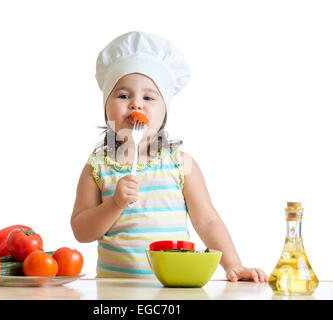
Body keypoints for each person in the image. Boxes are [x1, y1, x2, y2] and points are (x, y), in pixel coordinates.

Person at [71, 31, 268, 283]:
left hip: (174, 286)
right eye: (123, 95)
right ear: (105, 106)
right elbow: (81, 231)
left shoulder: (181, 164)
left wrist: (234, 264)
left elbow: (207, 221)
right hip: (114, 288)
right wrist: (114, 205)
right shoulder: (96, 168)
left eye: (149, 97)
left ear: (165, 112)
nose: (136, 105)